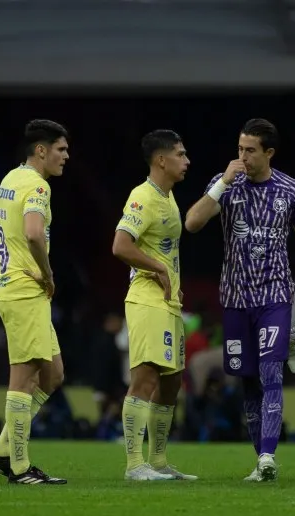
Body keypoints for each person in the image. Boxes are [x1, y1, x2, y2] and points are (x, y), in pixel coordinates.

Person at [184, 118, 295, 481]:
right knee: (247, 380)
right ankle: (259, 459)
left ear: (269, 153)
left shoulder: (292, 190)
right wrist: (221, 185)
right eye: (239, 149)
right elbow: (193, 223)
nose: (242, 156)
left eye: (250, 150)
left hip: (275, 294)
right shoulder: (225, 185)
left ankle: (267, 456)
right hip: (234, 297)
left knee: (270, 372)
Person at [0, 119, 68, 485]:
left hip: (12, 285)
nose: (66, 157)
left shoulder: (9, 180)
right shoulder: (36, 186)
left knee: (53, 374)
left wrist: (10, 259)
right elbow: (34, 233)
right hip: (23, 291)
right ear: (42, 150)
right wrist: (44, 273)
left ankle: (2, 452)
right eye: (61, 150)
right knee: (25, 376)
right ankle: (19, 467)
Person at [112, 129, 195, 481]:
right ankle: (134, 465)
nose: (186, 160)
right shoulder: (143, 196)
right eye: (180, 154)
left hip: (168, 303)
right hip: (146, 300)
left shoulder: (168, 197)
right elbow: (120, 245)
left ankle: (158, 461)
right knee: (145, 378)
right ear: (161, 160)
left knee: (172, 381)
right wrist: (160, 268)